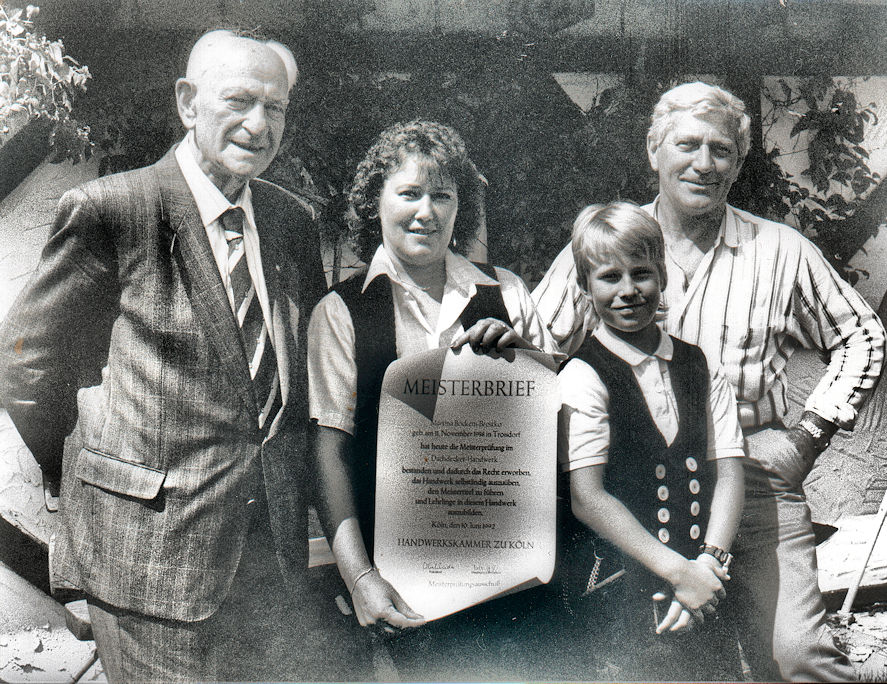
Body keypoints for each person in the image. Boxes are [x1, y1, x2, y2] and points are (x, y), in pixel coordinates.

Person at [0, 30, 334, 682]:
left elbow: (301, 378)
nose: (258, 124)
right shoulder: (112, 211)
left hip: (269, 565)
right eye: (238, 100)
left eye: (276, 108)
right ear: (187, 103)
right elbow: (23, 360)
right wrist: (86, 481)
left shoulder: (293, 223)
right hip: (147, 564)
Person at [534, 81, 887, 681]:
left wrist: (808, 435)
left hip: (747, 487)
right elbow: (541, 348)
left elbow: (864, 335)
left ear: (739, 161)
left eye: (721, 149)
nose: (704, 163)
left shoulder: (780, 251)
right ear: (654, 150)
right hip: (630, 491)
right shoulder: (605, 245)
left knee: (798, 658)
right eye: (687, 145)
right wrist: (495, 343)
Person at [308, 119, 557, 681]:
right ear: (375, 201)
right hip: (404, 584)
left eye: (442, 195)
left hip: (510, 577)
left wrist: (530, 362)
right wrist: (360, 580)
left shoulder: (508, 291)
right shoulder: (342, 311)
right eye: (409, 193)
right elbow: (328, 456)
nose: (427, 211)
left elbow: (553, 431)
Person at [556, 201, 745, 681]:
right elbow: (588, 498)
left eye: (640, 273)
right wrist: (679, 574)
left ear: (662, 275)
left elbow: (727, 474)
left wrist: (709, 566)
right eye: (608, 277)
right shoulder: (582, 375)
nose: (627, 291)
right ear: (584, 286)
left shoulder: (698, 365)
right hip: (625, 592)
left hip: (706, 582)